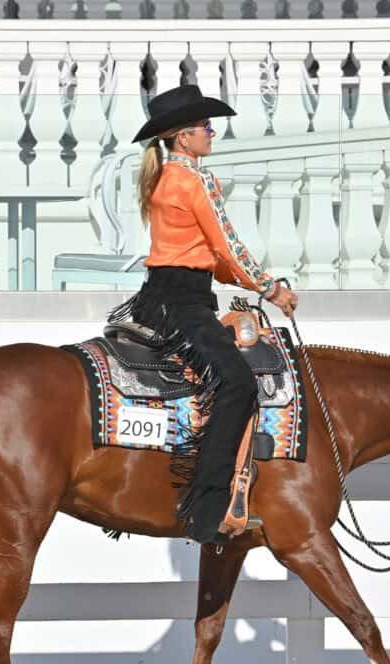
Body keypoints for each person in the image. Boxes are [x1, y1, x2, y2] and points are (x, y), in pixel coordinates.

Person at [109, 84, 299, 545]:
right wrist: (271, 288)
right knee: (237, 383)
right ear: (183, 137)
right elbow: (226, 245)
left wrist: (238, 279)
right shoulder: (195, 180)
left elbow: (208, 257)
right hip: (184, 307)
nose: (212, 133)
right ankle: (210, 508)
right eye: (205, 127)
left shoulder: (164, 178)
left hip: (159, 297)